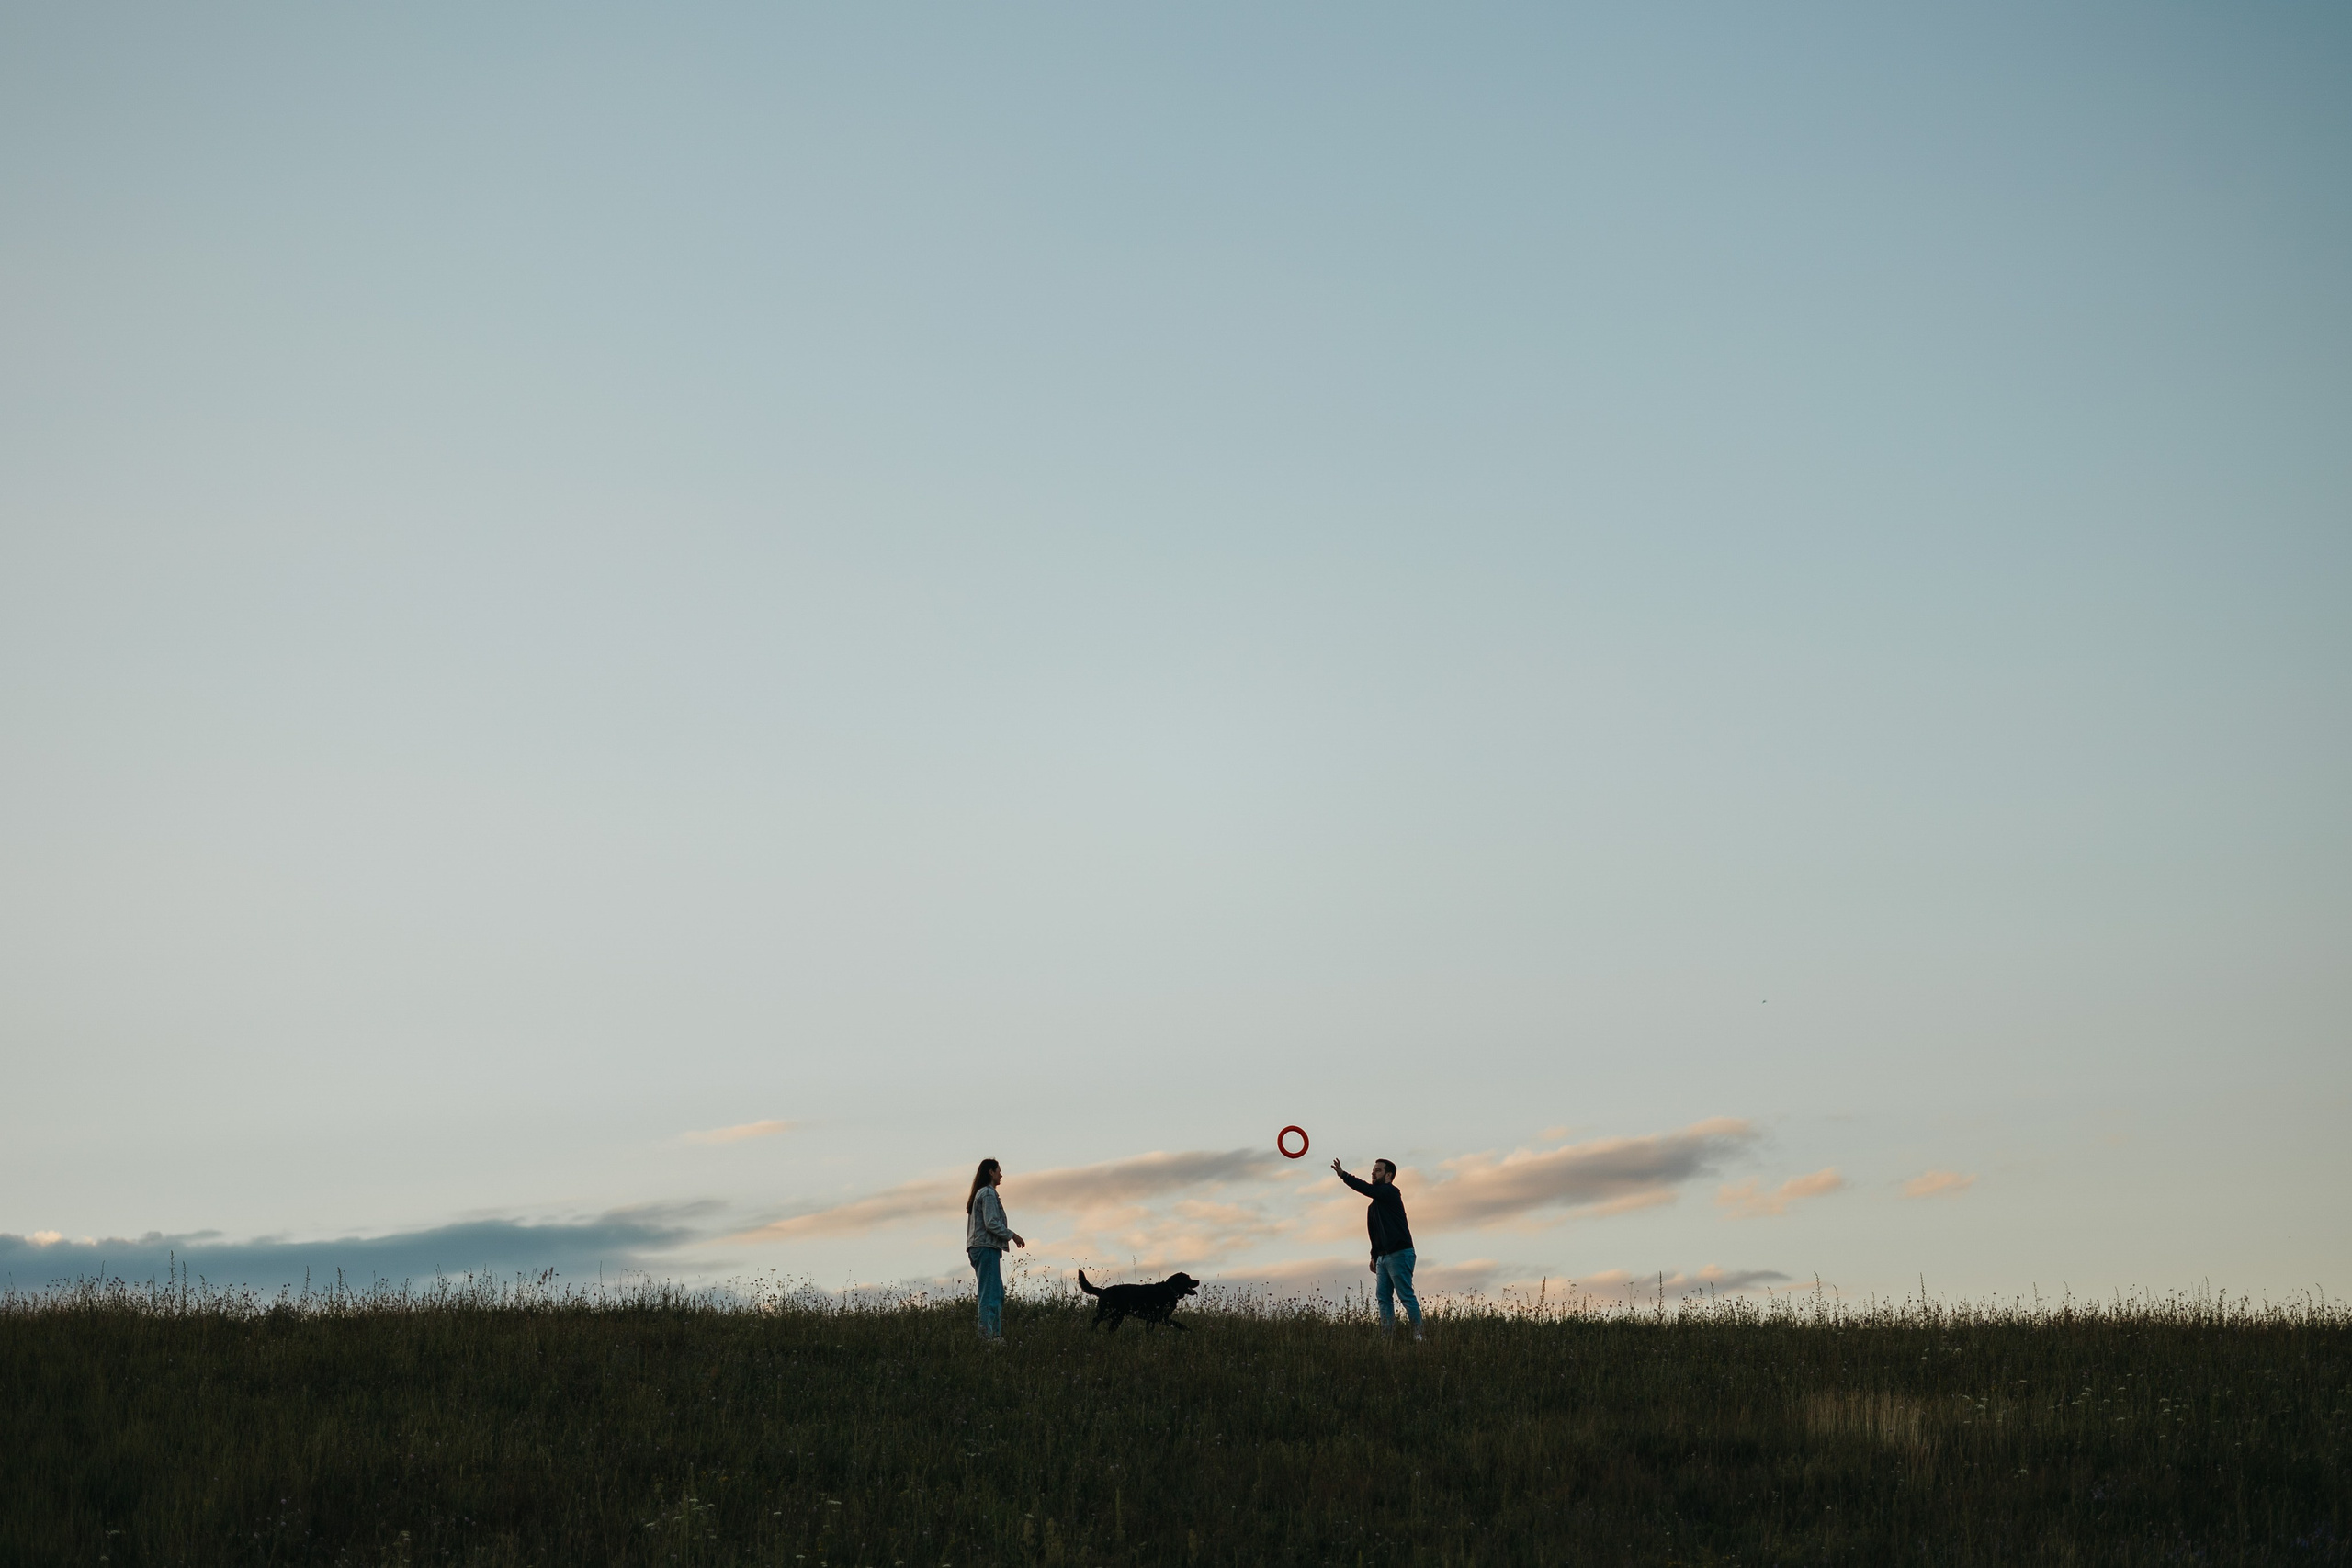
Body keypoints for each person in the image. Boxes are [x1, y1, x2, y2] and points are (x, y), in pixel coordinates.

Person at [1332, 1156, 1422, 1340]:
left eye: (1378, 1170)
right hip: (1382, 1258)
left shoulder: (1391, 1192)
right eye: (1373, 1170)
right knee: (1383, 1299)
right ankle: (1387, 1337)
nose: (1373, 1173)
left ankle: (1419, 1335)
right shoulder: (1372, 1207)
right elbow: (1374, 1234)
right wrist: (1374, 1256)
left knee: (1405, 1296)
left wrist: (1344, 1175)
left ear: (1388, 1176)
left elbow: (1367, 1189)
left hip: (1400, 1253)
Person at [964, 1158, 1025, 1344]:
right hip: (985, 1247)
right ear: (991, 1172)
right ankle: (986, 1338)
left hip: (984, 1247)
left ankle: (995, 1336)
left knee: (996, 1292)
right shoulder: (988, 1194)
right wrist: (1012, 1235)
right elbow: (991, 1223)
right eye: (998, 1170)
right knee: (989, 1294)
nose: (1001, 1174)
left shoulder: (984, 1193)